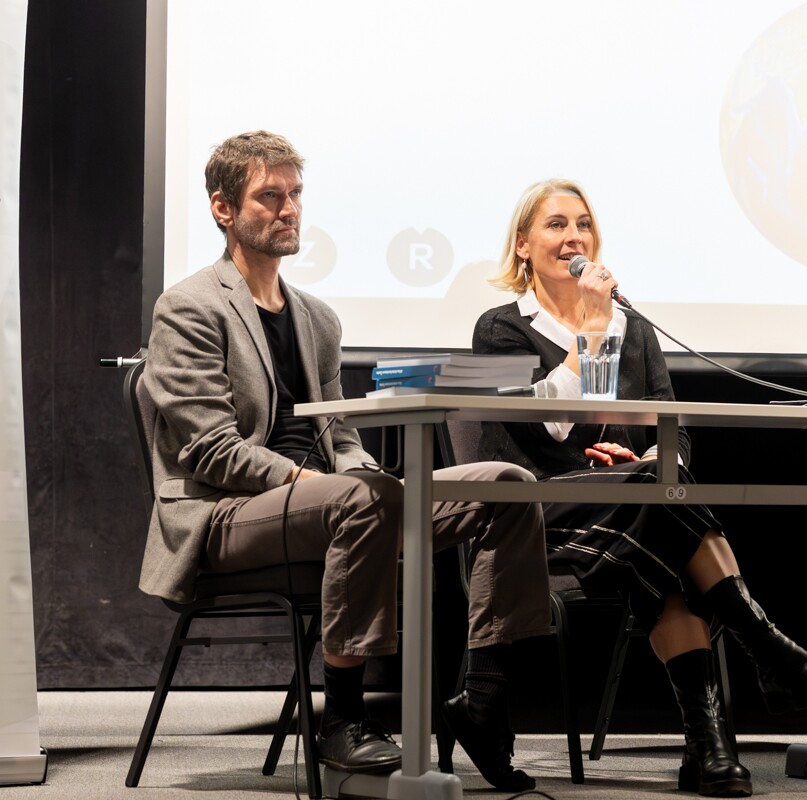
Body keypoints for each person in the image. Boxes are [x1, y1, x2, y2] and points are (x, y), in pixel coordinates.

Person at [140, 131, 552, 791]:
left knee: (506, 486)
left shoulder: (317, 318)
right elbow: (209, 449)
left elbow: (341, 434)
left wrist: (359, 470)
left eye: (295, 194)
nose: (289, 209)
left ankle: (482, 701)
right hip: (224, 515)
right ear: (223, 209)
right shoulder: (189, 307)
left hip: (329, 501)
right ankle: (343, 720)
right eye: (269, 197)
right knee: (361, 498)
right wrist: (321, 481)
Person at [472, 178, 807, 798]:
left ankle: (711, 744)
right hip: (539, 510)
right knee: (662, 515)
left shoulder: (635, 328)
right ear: (522, 245)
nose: (574, 237)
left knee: (661, 517)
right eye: (556, 225)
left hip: (633, 508)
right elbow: (541, 425)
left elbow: (672, 433)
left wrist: (647, 458)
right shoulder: (499, 328)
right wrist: (591, 332)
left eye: (583, 224)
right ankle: (759, 656)